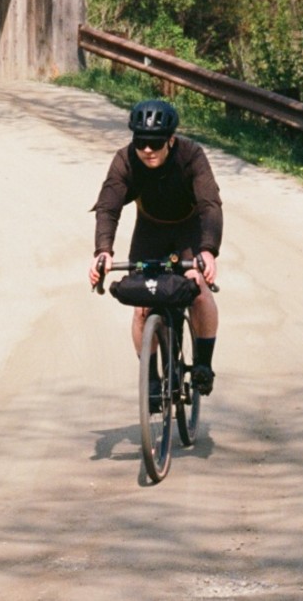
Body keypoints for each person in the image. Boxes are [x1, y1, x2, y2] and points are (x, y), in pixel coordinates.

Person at [88, 99, 221, 404]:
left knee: (198, 289)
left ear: (171, 140)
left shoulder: (191, 157)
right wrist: (103, 251)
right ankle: (150, 379)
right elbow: (108, 207)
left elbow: (210, 206)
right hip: (150, 232)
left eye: (156, 143)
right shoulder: (125, 160)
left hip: (188, 230)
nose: (147, 150)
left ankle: (203, 365)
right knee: (142, 304)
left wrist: (208, 251)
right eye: (141, 142)